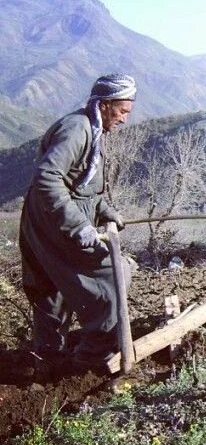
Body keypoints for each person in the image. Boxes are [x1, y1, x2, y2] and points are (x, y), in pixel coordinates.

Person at [19, 73, 137, 375]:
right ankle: (92, 355)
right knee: (115, 274)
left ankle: (49, 366)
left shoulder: (93, 130)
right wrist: (78, 226)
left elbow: (82, 186)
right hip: (53, 222)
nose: (124, 119)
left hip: (50, 218)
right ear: (105, 104)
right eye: (122, 111)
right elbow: (47, 178)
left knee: (51, 291)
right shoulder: (77, 130)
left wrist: (104, 209)